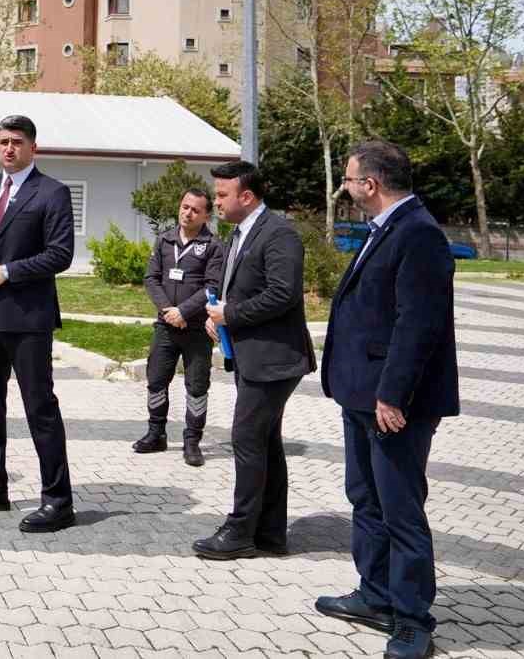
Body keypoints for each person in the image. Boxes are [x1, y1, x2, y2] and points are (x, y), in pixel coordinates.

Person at [317, 140, 458, 659]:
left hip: (393, 403)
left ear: (370, 185)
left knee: (400, 509)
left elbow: (418, 323)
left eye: (350, 180)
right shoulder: (387, 229)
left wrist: (393, 395)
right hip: (362, 394)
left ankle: (413, 618)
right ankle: (374, 595)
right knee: (367, 499)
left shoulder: (418, 233)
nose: (347, 188)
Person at [0, 115, 78, 533]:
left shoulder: (53, 193)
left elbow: (60, 255)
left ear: (33, 148)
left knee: (40, 408)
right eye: (3, 141)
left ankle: (58, 500)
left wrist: (4, 272)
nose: (9, 149)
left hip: (27, 320)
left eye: (17, 142)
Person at [196, 159, 315, 560]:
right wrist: (222, 321)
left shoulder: (278, 234)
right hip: (252, 356)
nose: (216, 202)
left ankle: (240, 531)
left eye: (222, 195)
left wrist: (231, 314)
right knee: (265, 443)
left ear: (246, 196)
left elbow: (283, 294)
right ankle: (270, 533)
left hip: (275, 359)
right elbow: (240, 290)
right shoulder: (240, 233)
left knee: (246, 439)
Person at [136, 187, 225, 467]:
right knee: (156, 381)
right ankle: (156, 433)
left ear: (206, 215)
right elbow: (152, 279)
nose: (188, 213)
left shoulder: (213, 246)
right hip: (166, 326)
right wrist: (168, 311)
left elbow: (212, 286)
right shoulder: (165, 239)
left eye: (195, 210)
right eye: (185, 206)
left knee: (197, 386)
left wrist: (184, 311)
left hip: (197, 329)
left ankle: (192, 441)